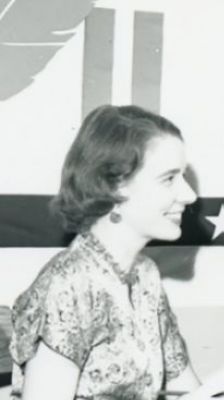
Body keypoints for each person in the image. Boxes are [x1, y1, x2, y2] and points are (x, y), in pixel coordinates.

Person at [8, 105, 201, 399]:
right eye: (169, 178)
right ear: (115, 186)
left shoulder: (145, 275)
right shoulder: (68, 284)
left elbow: (189, 392)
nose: (190, 195)